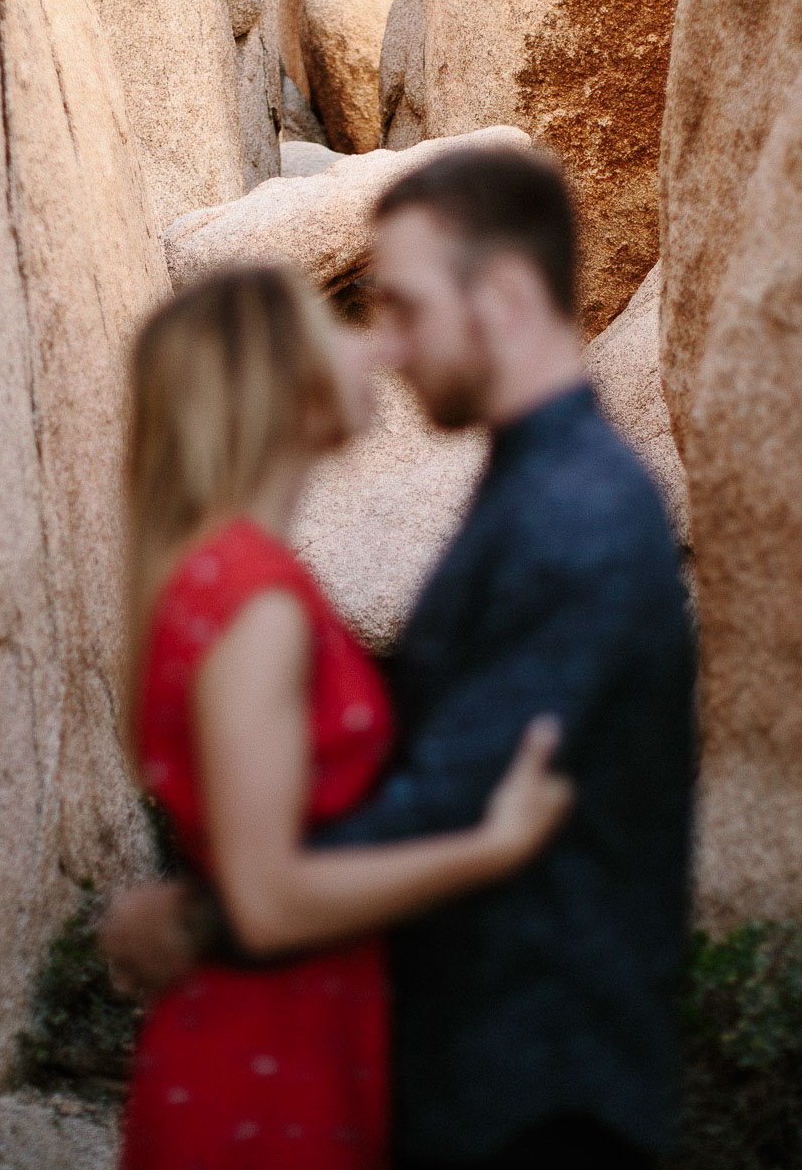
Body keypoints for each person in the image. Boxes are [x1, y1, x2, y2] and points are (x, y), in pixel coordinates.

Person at [106, 146, 697, 1170]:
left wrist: (213, 912)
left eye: (402, 307)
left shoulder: (572, 513)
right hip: (450, 1075)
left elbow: (456, 795)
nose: (384, 347)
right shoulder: (526, 494)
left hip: (537, 1089)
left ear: (504, 296)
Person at [115, 263, 575, 1170]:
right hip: (267, 1081)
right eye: (340, 331)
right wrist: (493, 847)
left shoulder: (223, 576)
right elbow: (272, 898)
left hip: (284, 1045)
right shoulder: (256, 599)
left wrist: (196, 904)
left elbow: (251, 869)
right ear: (279, 384)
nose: (373, 350)